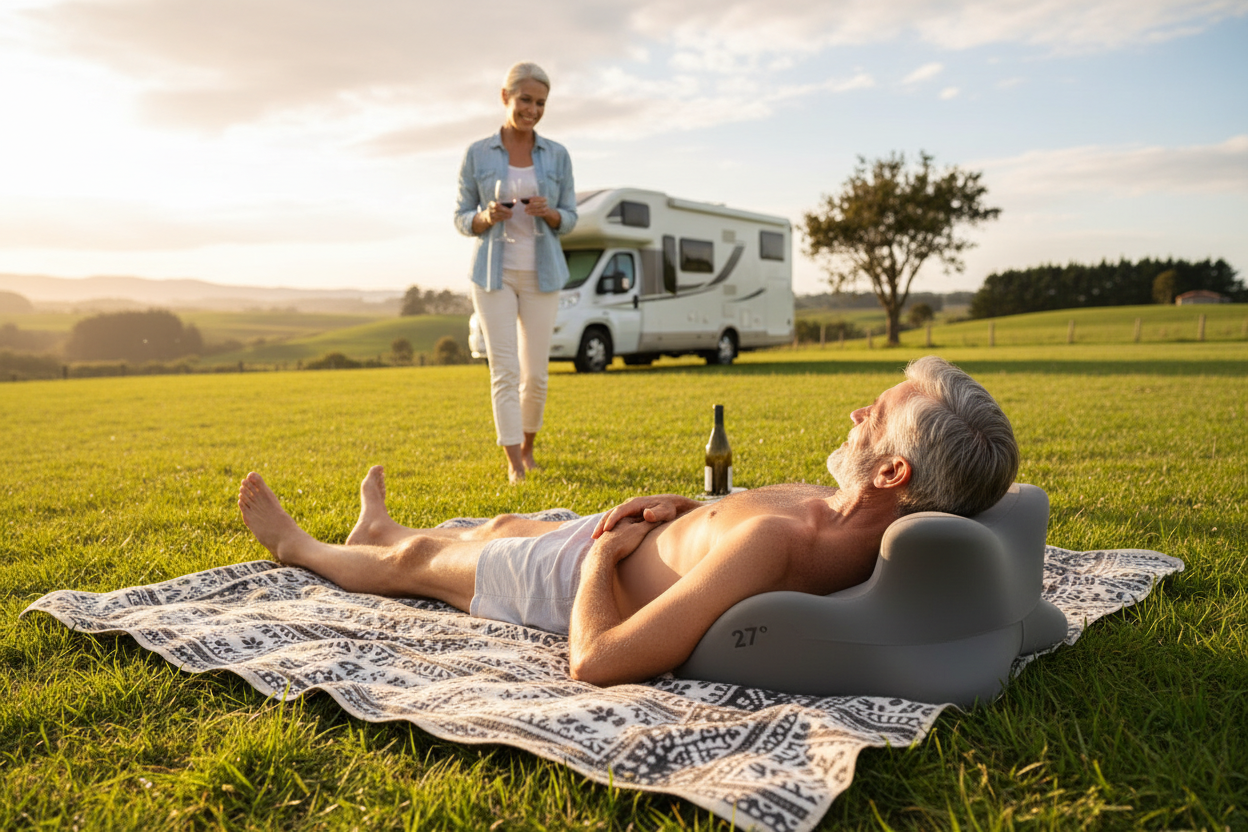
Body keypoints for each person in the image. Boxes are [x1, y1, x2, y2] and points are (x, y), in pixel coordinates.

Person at [238, 356, 1019, 687]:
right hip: (625, 541)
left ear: (892, 475)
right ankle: (374, 532)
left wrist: (598, 561)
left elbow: (599, 660)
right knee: (501, 521)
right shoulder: (843, 511)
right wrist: (687, 512)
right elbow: (729, 525)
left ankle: (301, 547)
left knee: (418, 565)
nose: (855, 414)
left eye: (873, 415)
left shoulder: (786, 543)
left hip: (580, 579)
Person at [455, 61, 577, 484]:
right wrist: (485, 217)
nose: (533, 110)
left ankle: (528, 449)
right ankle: (513, 462)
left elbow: (571, 217)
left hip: (543, 274)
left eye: (541, 103)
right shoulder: (478, 153)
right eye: (526, 99)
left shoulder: (557, 154)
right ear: (505, 97)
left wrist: (551, 213)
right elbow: (460, 217)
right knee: (504, 370)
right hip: (494, 274)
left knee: (536, 373)